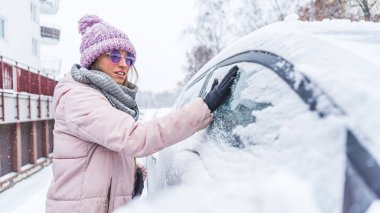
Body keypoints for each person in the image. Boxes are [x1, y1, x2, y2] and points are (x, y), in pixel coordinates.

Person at [46, 14, 238, 213]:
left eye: (128, 58)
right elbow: (134, 138)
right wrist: (202, 108)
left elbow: (106, 150)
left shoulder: (105, 99)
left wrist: (132, 173)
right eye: (114, 55)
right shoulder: (80, 98)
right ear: (93, 58)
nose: (123, 64)